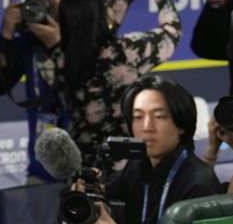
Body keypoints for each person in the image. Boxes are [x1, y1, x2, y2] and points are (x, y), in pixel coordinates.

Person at [0, 0, 141, 183]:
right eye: (38, 4)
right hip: (44, 169)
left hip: (92, 166)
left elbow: (114, 12)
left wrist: (59, 45)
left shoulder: (93, 42)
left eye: (55, 3)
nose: (49, 11)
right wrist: (7, 34)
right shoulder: (27, 44)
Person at [40, 0, 181, 155]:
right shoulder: (126, 51)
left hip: (83, 166)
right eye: (106, 3)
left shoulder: (58, 59)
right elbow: (172, 31)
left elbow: (93, 28)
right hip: (126, 168)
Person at [95, 75, 222, 224]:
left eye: (159, 116)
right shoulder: (137, 166)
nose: (147, 127)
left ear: (181, 124)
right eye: (138, 117)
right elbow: (107, 192)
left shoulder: (198, 184)